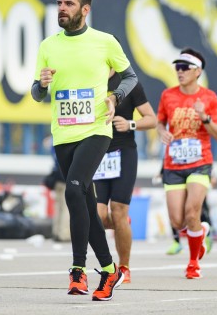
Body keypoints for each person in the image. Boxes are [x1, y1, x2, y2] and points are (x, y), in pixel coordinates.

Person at [31, 0, 137, 301]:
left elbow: (130, 77)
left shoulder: (105, 42)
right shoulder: (48, 45)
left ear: (85, 9)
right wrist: (41, 84)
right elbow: (37, 94)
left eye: (69, 4)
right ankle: (109, 270)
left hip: (96, 130)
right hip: (63, 134)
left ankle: (77, 270)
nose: (61, 8)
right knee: (85, 203)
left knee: (74, 189)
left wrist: (114, 97)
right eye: (59, 3)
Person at [156, 48, 217, 279]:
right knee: (178, 221)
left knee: (192, 211)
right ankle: (200, 231)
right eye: (178, 67)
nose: (180, 71)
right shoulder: (167, 95)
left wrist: (204, 117)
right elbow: (159, 122)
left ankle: (193, 264)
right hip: (173, 164)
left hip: (199, 162)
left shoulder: (209, 97)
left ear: (197, 72)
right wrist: (161, 133)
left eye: (185, 67)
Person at [93, 69, 157, 284]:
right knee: (98, 216)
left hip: (123, 153)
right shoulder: (90, 79)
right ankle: (122, 225)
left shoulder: (129, 83)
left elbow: (152, 119)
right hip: (98, 154)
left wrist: (130, 124)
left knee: (119, 210)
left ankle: (124, 267)